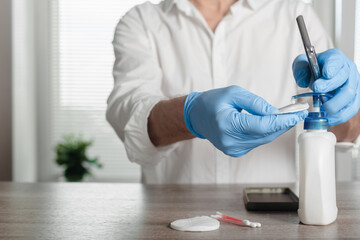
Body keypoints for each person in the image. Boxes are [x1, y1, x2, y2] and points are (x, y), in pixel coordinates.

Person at [107, 0, 360, 184]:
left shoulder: (295, 13)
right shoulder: (142, 22)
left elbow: (347, 130)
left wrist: (341, 100)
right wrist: (190, 115)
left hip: (274, 222)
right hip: (171, 221)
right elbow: (129, 116)